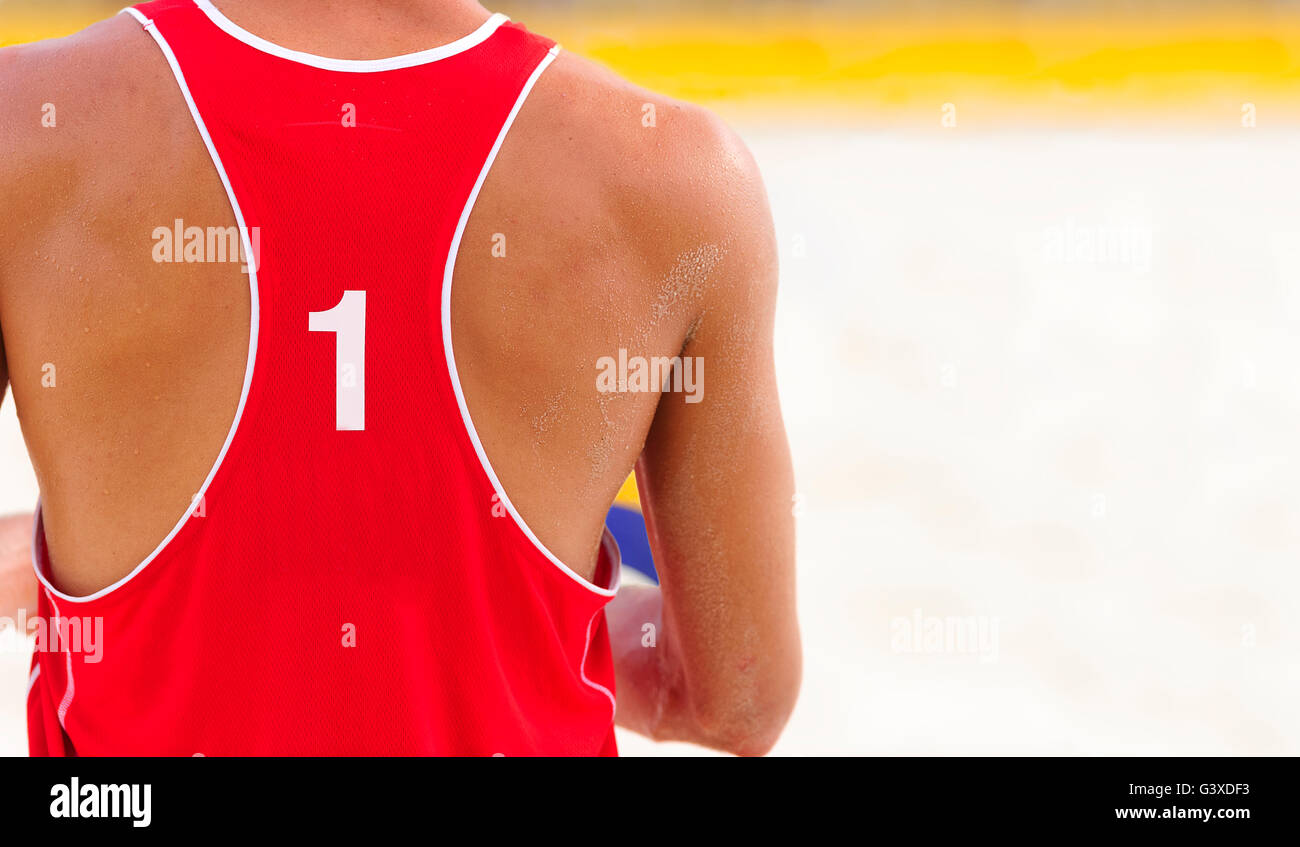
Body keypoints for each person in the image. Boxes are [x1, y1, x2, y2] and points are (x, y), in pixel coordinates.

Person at [0, 0, 799, 755]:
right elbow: (741, 696)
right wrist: (508, 611)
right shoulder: (680, 177)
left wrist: (94, 594)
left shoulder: (24, 123)